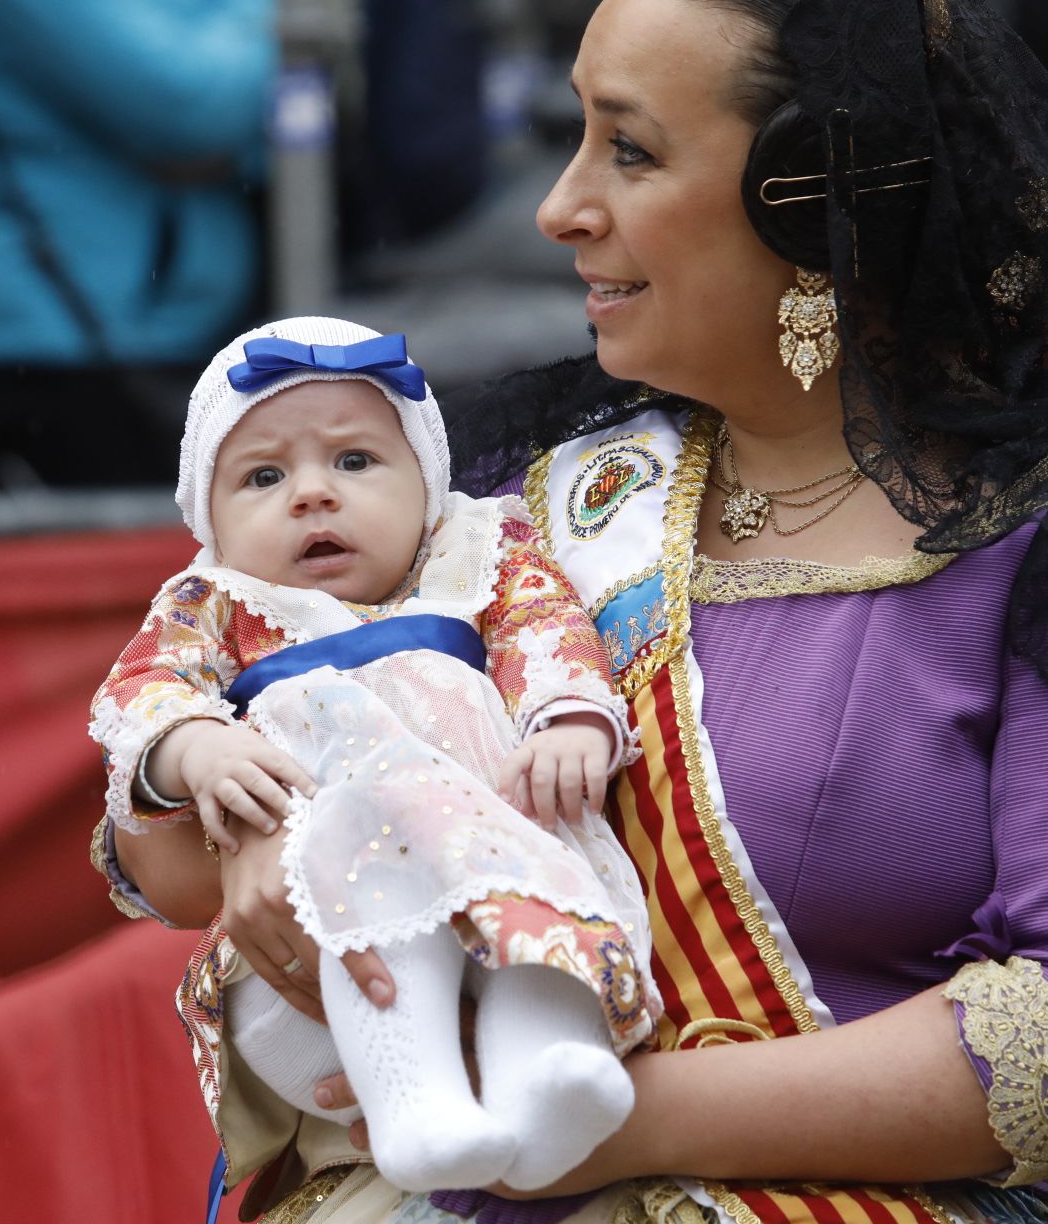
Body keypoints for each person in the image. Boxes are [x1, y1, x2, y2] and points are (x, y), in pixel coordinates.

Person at [96, 0, 1048, 1221]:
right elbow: (167, 846)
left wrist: (613, 1123)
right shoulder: (528, 496)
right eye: (576, 138)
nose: (559, 206)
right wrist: (258, 833)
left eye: (629, 151)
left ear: (815, 197)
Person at [91, 315, 655, 1193]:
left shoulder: (477, 552)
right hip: (315, 928)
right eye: (264, 476)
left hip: (483, 842)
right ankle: (414, 1102)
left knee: (534, 894)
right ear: (209, 522)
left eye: (355, 461)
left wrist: (569, 718)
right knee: (375, 907)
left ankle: (550, 1073)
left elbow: (545, 628)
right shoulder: (214, 600)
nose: (313, 495)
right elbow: (139, 694)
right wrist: (196, 746)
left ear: (428, 484)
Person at [0, 0, 275, 488]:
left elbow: (285, 120)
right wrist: (276, 17)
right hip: (66, 338)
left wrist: (239, 135)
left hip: (190, 327)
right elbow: (187, 109)